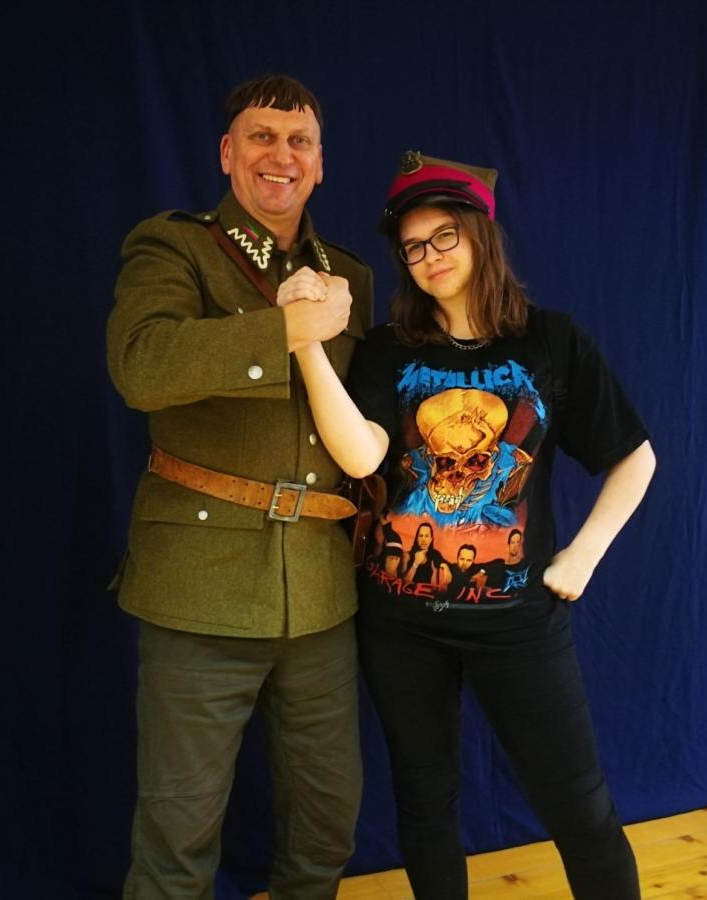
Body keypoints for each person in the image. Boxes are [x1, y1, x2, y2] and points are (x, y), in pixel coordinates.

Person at [283, 151, 655, 898]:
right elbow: (362, 456)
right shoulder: (389, 351)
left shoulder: (550, 342)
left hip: (517, 622)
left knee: (578, 805)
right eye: (412, 246)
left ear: (481, 233)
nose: (429, 256)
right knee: (425, 801)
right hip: (400, 624)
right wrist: (304, 345)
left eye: (444, 235)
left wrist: (583, 555)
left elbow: (634, 457)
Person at [104, 74, 373, 899]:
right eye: (261, 137)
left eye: (299, 142)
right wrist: (285, 328)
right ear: (228, 153)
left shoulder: (348, 276)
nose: (280, 155)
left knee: (327, 820)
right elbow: (141, 366)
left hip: (320, 592)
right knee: (178, 838)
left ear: (320, 163)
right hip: (200, 588)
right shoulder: (174, 248)